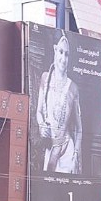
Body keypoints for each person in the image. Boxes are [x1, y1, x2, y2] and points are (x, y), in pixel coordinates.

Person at [34, 30, 82, 174]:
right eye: (61, 52)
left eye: (66, 54)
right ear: (55, 50)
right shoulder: (45, 78)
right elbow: (39, 112)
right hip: (50, 148)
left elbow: (80, 129)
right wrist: (42, 125)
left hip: (67, 149)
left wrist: (75, 156)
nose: (63, 58)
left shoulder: (73, 88)